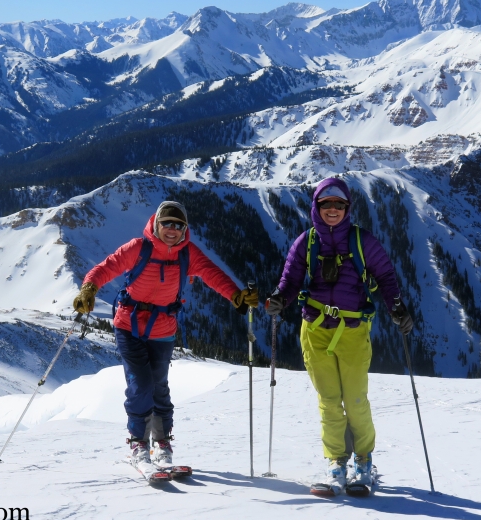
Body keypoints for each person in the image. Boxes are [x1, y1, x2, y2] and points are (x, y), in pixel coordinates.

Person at [73, 201, 258, 470]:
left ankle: (161, 442)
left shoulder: (187, 253)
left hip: (163, 329)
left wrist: (235, 295)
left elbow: (211, 273)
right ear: (156, 224)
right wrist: (89, 288)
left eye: (178, 225)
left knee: (159, 386)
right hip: (129, 325)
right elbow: (107, 267)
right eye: (167, 224)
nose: (172, 230)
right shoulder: (138, 248)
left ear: (185, 229)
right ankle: (138, 442)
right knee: (142, 384)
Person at [265, 177, 413, 493]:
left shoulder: (362, 242)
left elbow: (386, 276)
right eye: (326, 204)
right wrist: (280, 297)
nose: (333, 209)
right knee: (329, 402)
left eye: (339, 204)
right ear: (316, 206)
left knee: (355, 400)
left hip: (353, 331)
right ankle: (336, 462)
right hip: (315, 331)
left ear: (348, 208)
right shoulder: (305, 242)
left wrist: (396, 306)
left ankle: (363, 462)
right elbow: (290, 281)